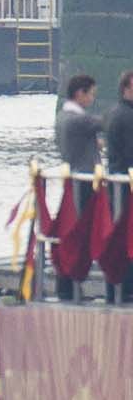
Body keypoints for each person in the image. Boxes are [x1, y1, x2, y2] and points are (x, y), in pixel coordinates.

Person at [56, 73, 104, 298]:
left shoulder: (63, 117)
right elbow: (106, 122)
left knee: (74, 232)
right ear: (80, 94)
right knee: (87, 232)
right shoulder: (78, 119)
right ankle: (72, 283)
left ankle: (69, 282)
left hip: (75, 180)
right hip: (84, 184)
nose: (92, 99)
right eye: (91, 94)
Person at [107, 70, 133, 303]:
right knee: (126, 240)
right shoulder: (125, 117)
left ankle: (120, 289)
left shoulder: (119, 113)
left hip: (119, 186)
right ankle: (124, 290)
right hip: (125, 188)